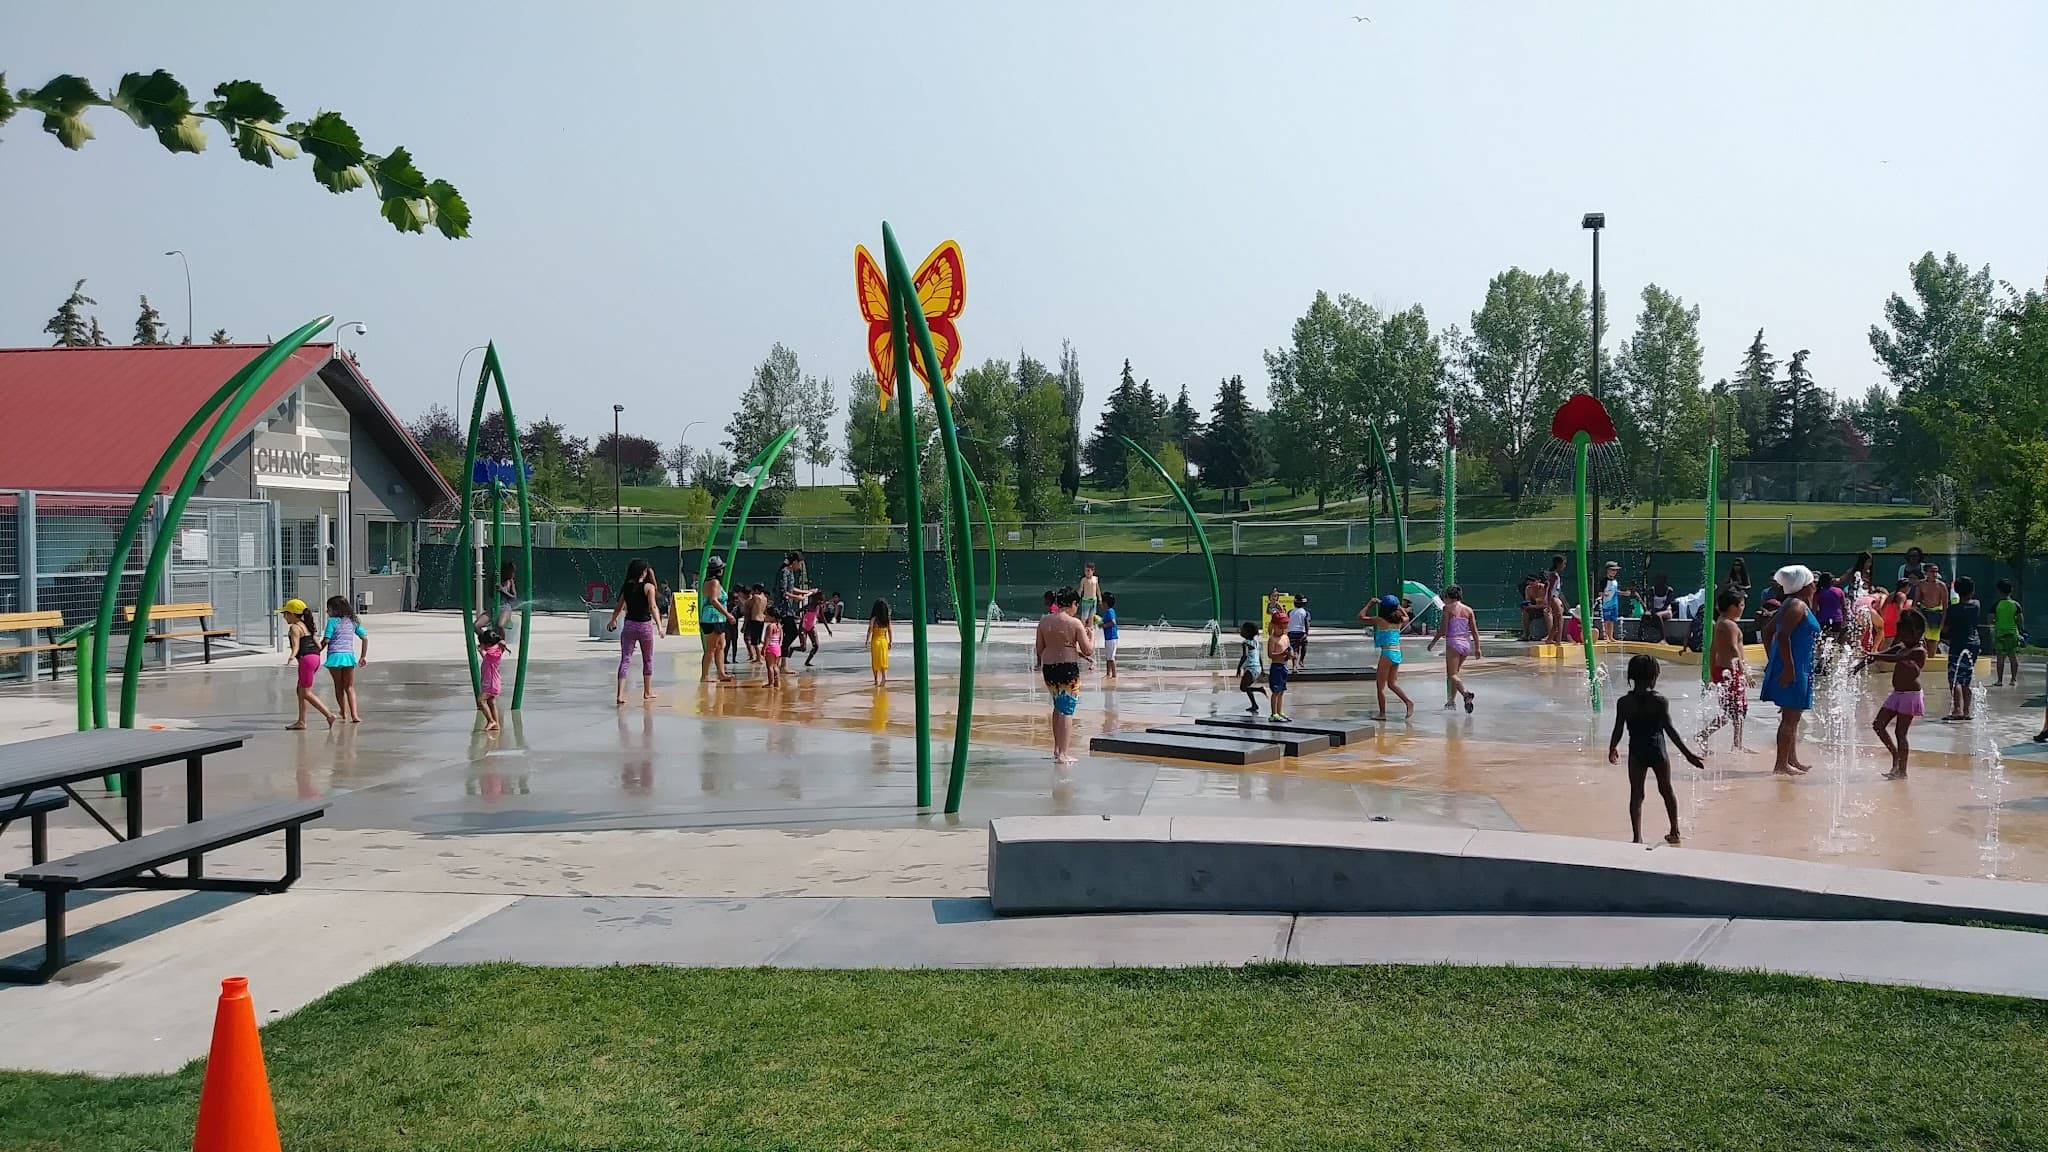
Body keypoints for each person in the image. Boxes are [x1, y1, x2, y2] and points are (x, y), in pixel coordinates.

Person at [1607, 655, 1703, 846]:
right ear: (1654, 677)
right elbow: (1670, 730)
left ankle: (1637, 837)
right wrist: (1687, 754)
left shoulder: (1624, 702)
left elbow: (1618, 728)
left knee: (1636, 794)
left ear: (1631, 676)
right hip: (1658, 751)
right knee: (1666, 790)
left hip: (1636, 753)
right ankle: (1674, 830)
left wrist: (1612, 747)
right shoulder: (1659, 701)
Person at [1759, 564, 1819, 776]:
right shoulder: (1797, 607)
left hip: (1794, 665)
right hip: (1794, 667)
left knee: (1792, 716)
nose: (1815, 586)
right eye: (1812, 582)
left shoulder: (1791, 604)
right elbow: (1782, 635)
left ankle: (1790, 759)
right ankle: (1781, 765)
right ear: (1804, 585)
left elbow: (1767, 630)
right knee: (1790, 718)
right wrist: (1788, 668)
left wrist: (1773, 660)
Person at [1864, 609, 1929, 779]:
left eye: (1906, 635)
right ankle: (1895, 756)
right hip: (1897, 693)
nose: (1902, 638)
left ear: (1916, 633)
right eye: (1901, 634)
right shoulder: (1902, 646)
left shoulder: (1918, 651)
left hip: (1910, 696)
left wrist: (1874, 655)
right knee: (1878, 725)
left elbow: (1895, 659)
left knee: (1901, 733)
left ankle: (1903, 771)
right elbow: (1883, 655)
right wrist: (1863, 663)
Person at [1034, 588, 1094, 764]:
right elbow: (1088, 650)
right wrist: (1092, 636)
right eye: (1077, 604)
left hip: (1049, 668)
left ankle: (1057, 748)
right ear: (1073, 604)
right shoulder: (1074, 623)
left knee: (1058, 706)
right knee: (1067, 709)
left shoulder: (1044, 622)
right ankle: (1063, 754)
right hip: (1067, 668)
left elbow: (1039, 649)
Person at [1697, 589, 1748, 752]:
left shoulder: (1721, 622)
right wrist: (1745, 671)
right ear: (1732, 607)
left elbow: (1713, 649)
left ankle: (1737, 743)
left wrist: (1713, 672)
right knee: (1736, 710)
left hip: (1723, 670)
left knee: (1732, 711)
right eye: (1741, 605)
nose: (1743, 608)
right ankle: (1733, 744)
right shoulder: (1730, 625)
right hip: (1731, 671)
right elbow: (1734, 649)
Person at [608, 557, 663, 705]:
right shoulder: (649, 587)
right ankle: (647, 691)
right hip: (644, 626)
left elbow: (619, 606)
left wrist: (613, 620)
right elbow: (653, 607)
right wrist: (659, 626)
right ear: (643, 572)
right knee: (648, 658)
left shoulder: (627, 586)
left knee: (626, 659)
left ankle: (619, 694)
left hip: (629, 625)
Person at [279, 598, 334, 730]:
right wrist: (314, 655)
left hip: (306, 660)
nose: (284, 617)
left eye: (285, 614)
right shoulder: (307, 625)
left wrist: (291, 657)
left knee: (305, 692)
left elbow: (296, 646)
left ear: (292, 614)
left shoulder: (295, 627)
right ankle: (301, 721)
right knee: (300, 690)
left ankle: (328, 714)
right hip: (314, 658)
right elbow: (317, 644)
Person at [1427, 584, 1479, 712]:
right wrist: (1477, 648)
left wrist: (1433, 642)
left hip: (1453, 643)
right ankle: (1451, 702)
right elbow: (1474, 631)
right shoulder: (1469, 610)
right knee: (1455, 674)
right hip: (1466, 644)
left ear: (1448, 597)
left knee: (1452, 675)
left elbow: (1443, 629)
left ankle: (1466, 694)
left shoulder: (1448, 609)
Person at [1941, 575, 1981, 721]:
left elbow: (1945, 629)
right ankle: (1966, 711)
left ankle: (1957, 710)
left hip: (1958, 644)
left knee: (1954, 678)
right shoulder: (1976, 605)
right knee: (1966, 678)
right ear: (1972, 591)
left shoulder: (1953, 609)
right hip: (1973, 643)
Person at [321, 595, 367, 723]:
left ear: (335, 610)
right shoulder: (353, 621)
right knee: (350, 687)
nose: (327, 612)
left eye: (328, 609)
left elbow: (326, 640)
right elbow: (365, 638)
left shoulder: (332, 621)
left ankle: (343, 712)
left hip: (334, 656)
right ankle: (355, 715)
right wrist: (363, 656)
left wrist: (317, 650)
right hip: (348, 656)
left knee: (338, 686)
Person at [1373, 595, 1415, 721]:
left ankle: (1382, 713)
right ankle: (1408, 702)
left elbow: (1361, 617)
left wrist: (1370, 604)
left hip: (1387, 653)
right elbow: (1407, 617)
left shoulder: (1380, 620)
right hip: (1397, 653)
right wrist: (1400, 607)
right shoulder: (1400, 620)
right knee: (1391, 684)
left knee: (1380, 686)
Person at [698, 557, 736, 684]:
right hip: (712, 618)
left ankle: (721, 673)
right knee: (711, 648)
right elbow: (714, 600)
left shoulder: (711, 582)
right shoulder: (714, 583)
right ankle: (705, 675)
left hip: (718, 618)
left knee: (720, 646)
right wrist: (728, 614)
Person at [476, 619, 505, 731]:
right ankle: (496, 723)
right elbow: (487, 659)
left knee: (481, 701)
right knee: (491, 702)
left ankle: (490, 720)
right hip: (489, 682)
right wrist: (481, 651)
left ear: (488, 644)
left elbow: (490, 652)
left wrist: (484, 648)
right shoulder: (493, 653)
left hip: (491, 683)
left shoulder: (495, 652)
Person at [1993, 578, 2023, 688]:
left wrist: (1997, 621)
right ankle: (2013, 679)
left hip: (2000, 633)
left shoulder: (1996, 604)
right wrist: (2020, 629)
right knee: (2013, 657)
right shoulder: (2016, 604)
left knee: (2000, 658)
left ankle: (1999, 680)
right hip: (2012, 633)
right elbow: (2020, 619)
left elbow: (1990, 619)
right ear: (2011, 591)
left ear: (1999, 591)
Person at [1914, 564, 1948, 654]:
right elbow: (1916, 601)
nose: (1935, 574)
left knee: (1933, 640)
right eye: (1932, 571)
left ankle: (1931, 658)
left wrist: (1943, 622)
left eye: (1936, 571)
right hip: (1924, 613)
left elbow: (1945, 606)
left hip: (1936, 614)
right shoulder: (1921, 584)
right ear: (1926, 573)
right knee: (1922, 640)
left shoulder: (1941, 586)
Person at [1236, 621, 1268, 713]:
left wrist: (1238, 667)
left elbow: (1245, 655)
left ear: (1247, 633)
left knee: (1243, 687)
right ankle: (1254, 704)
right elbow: (1259, 656)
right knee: (1247, 687)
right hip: (1256, 668)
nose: (1240, 631)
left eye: (1242, 630)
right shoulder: (1256, 643)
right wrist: (1262, 669)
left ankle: (1260, 689)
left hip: (1251, 668)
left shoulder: (1245, 643)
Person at [1641, 572, 1678, 644]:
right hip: (1654, 610)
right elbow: (1651, 603)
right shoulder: (1652, 590)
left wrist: (1655, 612)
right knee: (1645, 615)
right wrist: (1652, 611)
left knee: (1658, 615)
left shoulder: (1669, 590)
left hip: (1666, 611)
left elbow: (1666, 605)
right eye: (1658, 579)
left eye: (1661, 579)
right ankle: (1640, 637)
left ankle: (1663, 638)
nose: (1659, 581)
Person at [1265, 627, 1292, 722]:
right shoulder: (1272, 639)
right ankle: (1273, 714)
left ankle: (1280, 711)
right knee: (1276, 691)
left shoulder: (1286, 637)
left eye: (1283, 627)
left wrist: (1290, 654)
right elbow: (1270, 654)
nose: (1282, 630)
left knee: (1282, 691)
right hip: (1276, 666)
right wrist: (1282, 653)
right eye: (1279, 627)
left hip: (1284, 666)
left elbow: (1289, 648)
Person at [1813, 571, 1846, 645]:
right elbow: (1844, 607)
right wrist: (1844, 620)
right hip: (1837, 619)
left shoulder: (1818, 593)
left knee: (1822, 643)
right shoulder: (1839, 591)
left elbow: (1814, 609)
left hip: (1822, 619)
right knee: (1833, 643)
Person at [867, 599, 893, 687]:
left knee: (875, 660)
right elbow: (889, 630)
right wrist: (891, 641)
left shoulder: (874, 619)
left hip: (875, 641)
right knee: (883, 659)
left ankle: (875, 679)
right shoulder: (887, 619)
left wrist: (867, 640)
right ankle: (884, 677)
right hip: (884, 641)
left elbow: (870, 630)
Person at [1597, 561, 1623, 643]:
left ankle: (1611, 636)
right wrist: (1604, 594)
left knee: (1612, 620)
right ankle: (1606, 637)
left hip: (1614, 604)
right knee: (1606, 620)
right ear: (1608, 570)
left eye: (1615, 570)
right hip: (1606, 604)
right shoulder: (1604, 581)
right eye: (1612, 570)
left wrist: (1624, 593)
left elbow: (1615, 591)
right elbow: (1599, 592)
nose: (1614, 572)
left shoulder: (1615, 581)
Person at [1544, 554, 1567, 643]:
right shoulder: (1553, 575)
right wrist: (1549, 604)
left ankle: (1550, 639)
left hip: (1555, 597)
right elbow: (1549, 589)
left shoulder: (1555, 575)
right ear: (1559, 564)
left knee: (1558, 619)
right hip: (1553, 598)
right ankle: (1558, 641)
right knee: (1559, 618)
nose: (1564, 566)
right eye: (1563, 564)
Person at [799, 591, 824, 669]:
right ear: (814, 599)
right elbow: (797, 612)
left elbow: (823, 618)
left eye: (821, 600)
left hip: (811, 627)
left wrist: (828, 629)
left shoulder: (819, 607)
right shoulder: (808, 606)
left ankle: (807, 662)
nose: (820, 602)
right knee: (803, 648)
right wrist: (800, 617)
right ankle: (791, 650)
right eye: (819, 600)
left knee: (816, 646)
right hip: (803, 627)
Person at [1285, 595, 1311, 667]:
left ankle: (1294, 666)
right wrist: (1306, 633)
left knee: (1294, 649)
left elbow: (1287, 623)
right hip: (1301, 633)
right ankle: (1301, 660)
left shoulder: (1290, 612)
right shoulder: (1306, 613)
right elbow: (1307, 623)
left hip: (1291, 633)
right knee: (1304, 646)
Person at [1100, 592, 1120, 680]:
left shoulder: (1110, 611)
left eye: (1102, 602)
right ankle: (1108, 673)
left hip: (1112, 637)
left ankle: (1114, 674)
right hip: (1108, 637)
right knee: (1108, 657)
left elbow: (1113, 622)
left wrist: (1104, 625)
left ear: (1105, 603)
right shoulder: (1106, 612)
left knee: (1111, 657)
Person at [1078, 562, 1102, 637]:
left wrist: (1100, 598)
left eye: (1088, 571)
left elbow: (1097, 589)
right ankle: (1082, 633)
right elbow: (1080, 590)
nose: (1087, 573)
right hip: (1086, 601)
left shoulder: (1095, 579)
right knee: (1084, 618)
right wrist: (1077, 598)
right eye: (1085, 571)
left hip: (1093, 601)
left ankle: (1090, 633)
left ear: (1092, 571)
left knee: (1091, 617)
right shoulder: (1083, 580)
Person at [495, 560, 519, 634]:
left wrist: (503, 591)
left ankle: (502, 644)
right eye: (512, 572)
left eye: (514, 572)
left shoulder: (510, 582)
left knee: (500, 625)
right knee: (477, 625)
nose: (513, 574)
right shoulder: (498, 579)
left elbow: (514, 597)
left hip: (506, 607)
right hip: (495, 606)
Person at [761, 610, 784, 689]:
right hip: (777, 647)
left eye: (767, 615)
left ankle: (770, 683)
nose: (765, 617)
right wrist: (778, 645)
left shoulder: (770, 626)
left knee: (770, 667)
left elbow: (768, 638)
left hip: (770, 647)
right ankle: (777, 682)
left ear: (772, 617)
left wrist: (764, 648)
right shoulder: (779, 625)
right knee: (775, 666)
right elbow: (781, 638)